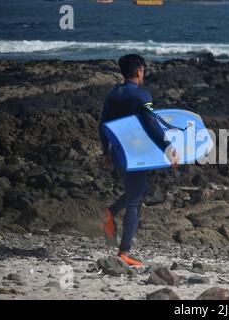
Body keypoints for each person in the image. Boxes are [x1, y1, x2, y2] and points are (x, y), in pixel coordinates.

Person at [99, 54, 179, 266]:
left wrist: (106, 153)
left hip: (117, 153)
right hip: (134, 154)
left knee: (138, 191)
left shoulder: (112, 94)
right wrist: (168, 147)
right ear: (138, 71)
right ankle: (124, 252)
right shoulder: (142, 95)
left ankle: (111, 213)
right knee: (135, 200)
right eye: (143, 70)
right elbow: (151, 123)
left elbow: (103, 125)